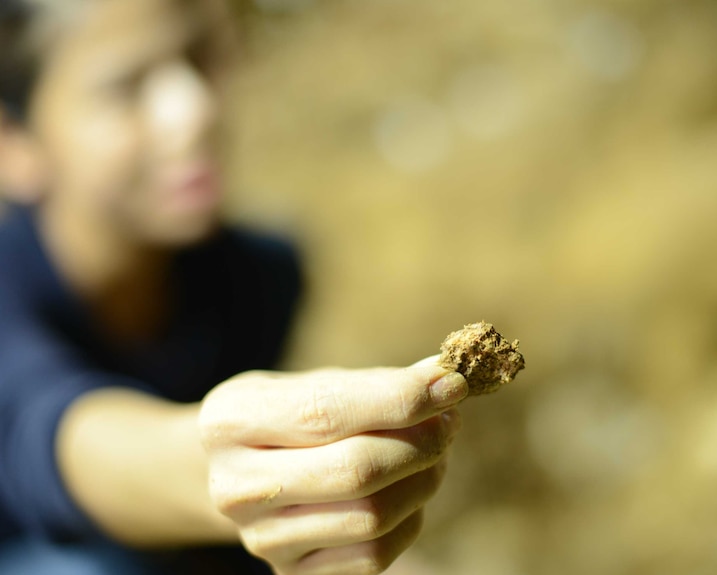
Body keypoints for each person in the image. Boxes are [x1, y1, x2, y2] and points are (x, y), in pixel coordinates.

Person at [0, 0, 467, 573]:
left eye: (198, 58)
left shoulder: (263, 277)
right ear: (14, 142)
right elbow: (49, 437)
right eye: (126, 86)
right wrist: (228, 476)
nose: (193, 109)